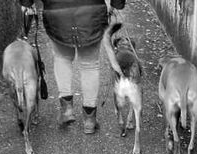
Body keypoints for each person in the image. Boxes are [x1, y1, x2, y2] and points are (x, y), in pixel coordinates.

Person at [19, 0, 126, 134]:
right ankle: (89, 120)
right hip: (92, 12)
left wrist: (27, 3)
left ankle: (67, 110)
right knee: (90, 65)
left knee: (62, 59)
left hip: (56, 13)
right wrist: (117, 5)